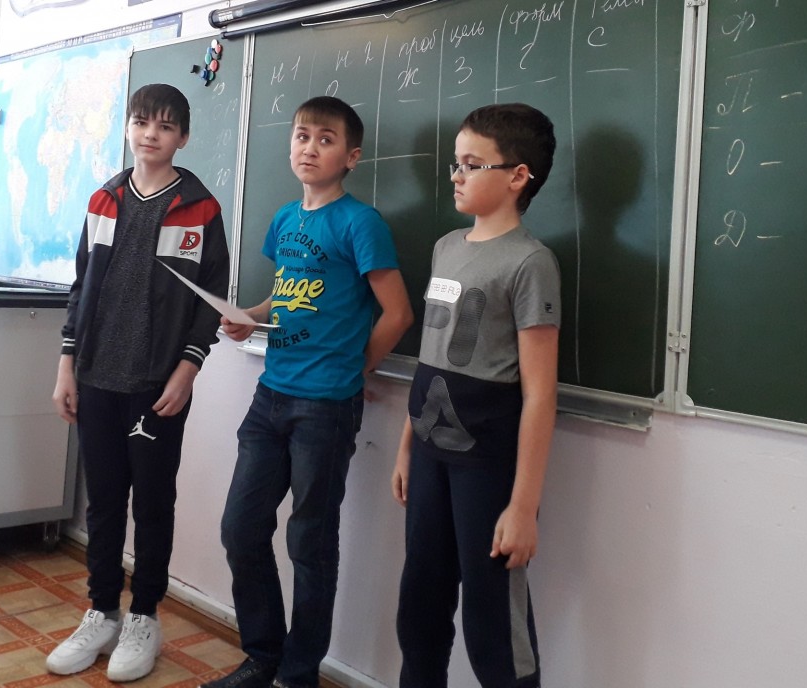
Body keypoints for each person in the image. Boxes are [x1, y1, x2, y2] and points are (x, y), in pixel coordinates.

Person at [204, 96, 413, 688]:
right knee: (241, 529)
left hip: (325, 406)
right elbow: (290, 289)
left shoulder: (360, 223)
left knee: (310, 543)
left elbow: (398, 313)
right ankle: (263, 657)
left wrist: (355, 370)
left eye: (326, 139)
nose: (310, 148)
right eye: (302, 136)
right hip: (271, 394)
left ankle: (297, 675)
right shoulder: (285, 219)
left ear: (351, 156)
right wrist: (250, 315)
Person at [48, 83, 230, 682]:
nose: (151, 133)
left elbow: (210, 301)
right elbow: (81, 286)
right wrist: (67, 364)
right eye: (142, 121)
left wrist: (188, 369)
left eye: (165, 126)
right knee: (103, 502)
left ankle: (144, 616)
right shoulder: (103, 198)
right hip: (97, 377)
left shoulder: (201, 208)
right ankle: (101, 611)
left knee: (152, 504)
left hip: (157, 386)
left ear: (183, 137)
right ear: (128, 127)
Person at [391, 103, 560, 688]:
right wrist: (407, 446)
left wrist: (523, 507)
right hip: (431, 455)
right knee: (420, 607)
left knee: (493, 626)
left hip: (486, 467)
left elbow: (539, 394)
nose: (457, 175)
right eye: (456, 163)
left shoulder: (531, 262)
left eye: (472, 164)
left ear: (518, 176)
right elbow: (430, 356)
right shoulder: (446, 247)